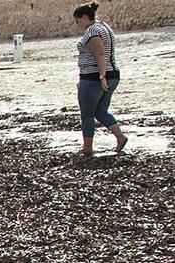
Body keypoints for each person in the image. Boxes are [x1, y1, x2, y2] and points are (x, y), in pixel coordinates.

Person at [73, 1, 128, 155]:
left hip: (93, 78)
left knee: (87, 114)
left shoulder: (93, 31)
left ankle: (87, 147)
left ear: (84, 18)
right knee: (101, 111)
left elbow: (100, 54)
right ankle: (120, 138)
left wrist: (101, 76)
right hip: (113, 74)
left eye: (78, 22)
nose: (78, 25)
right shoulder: (105, 27)